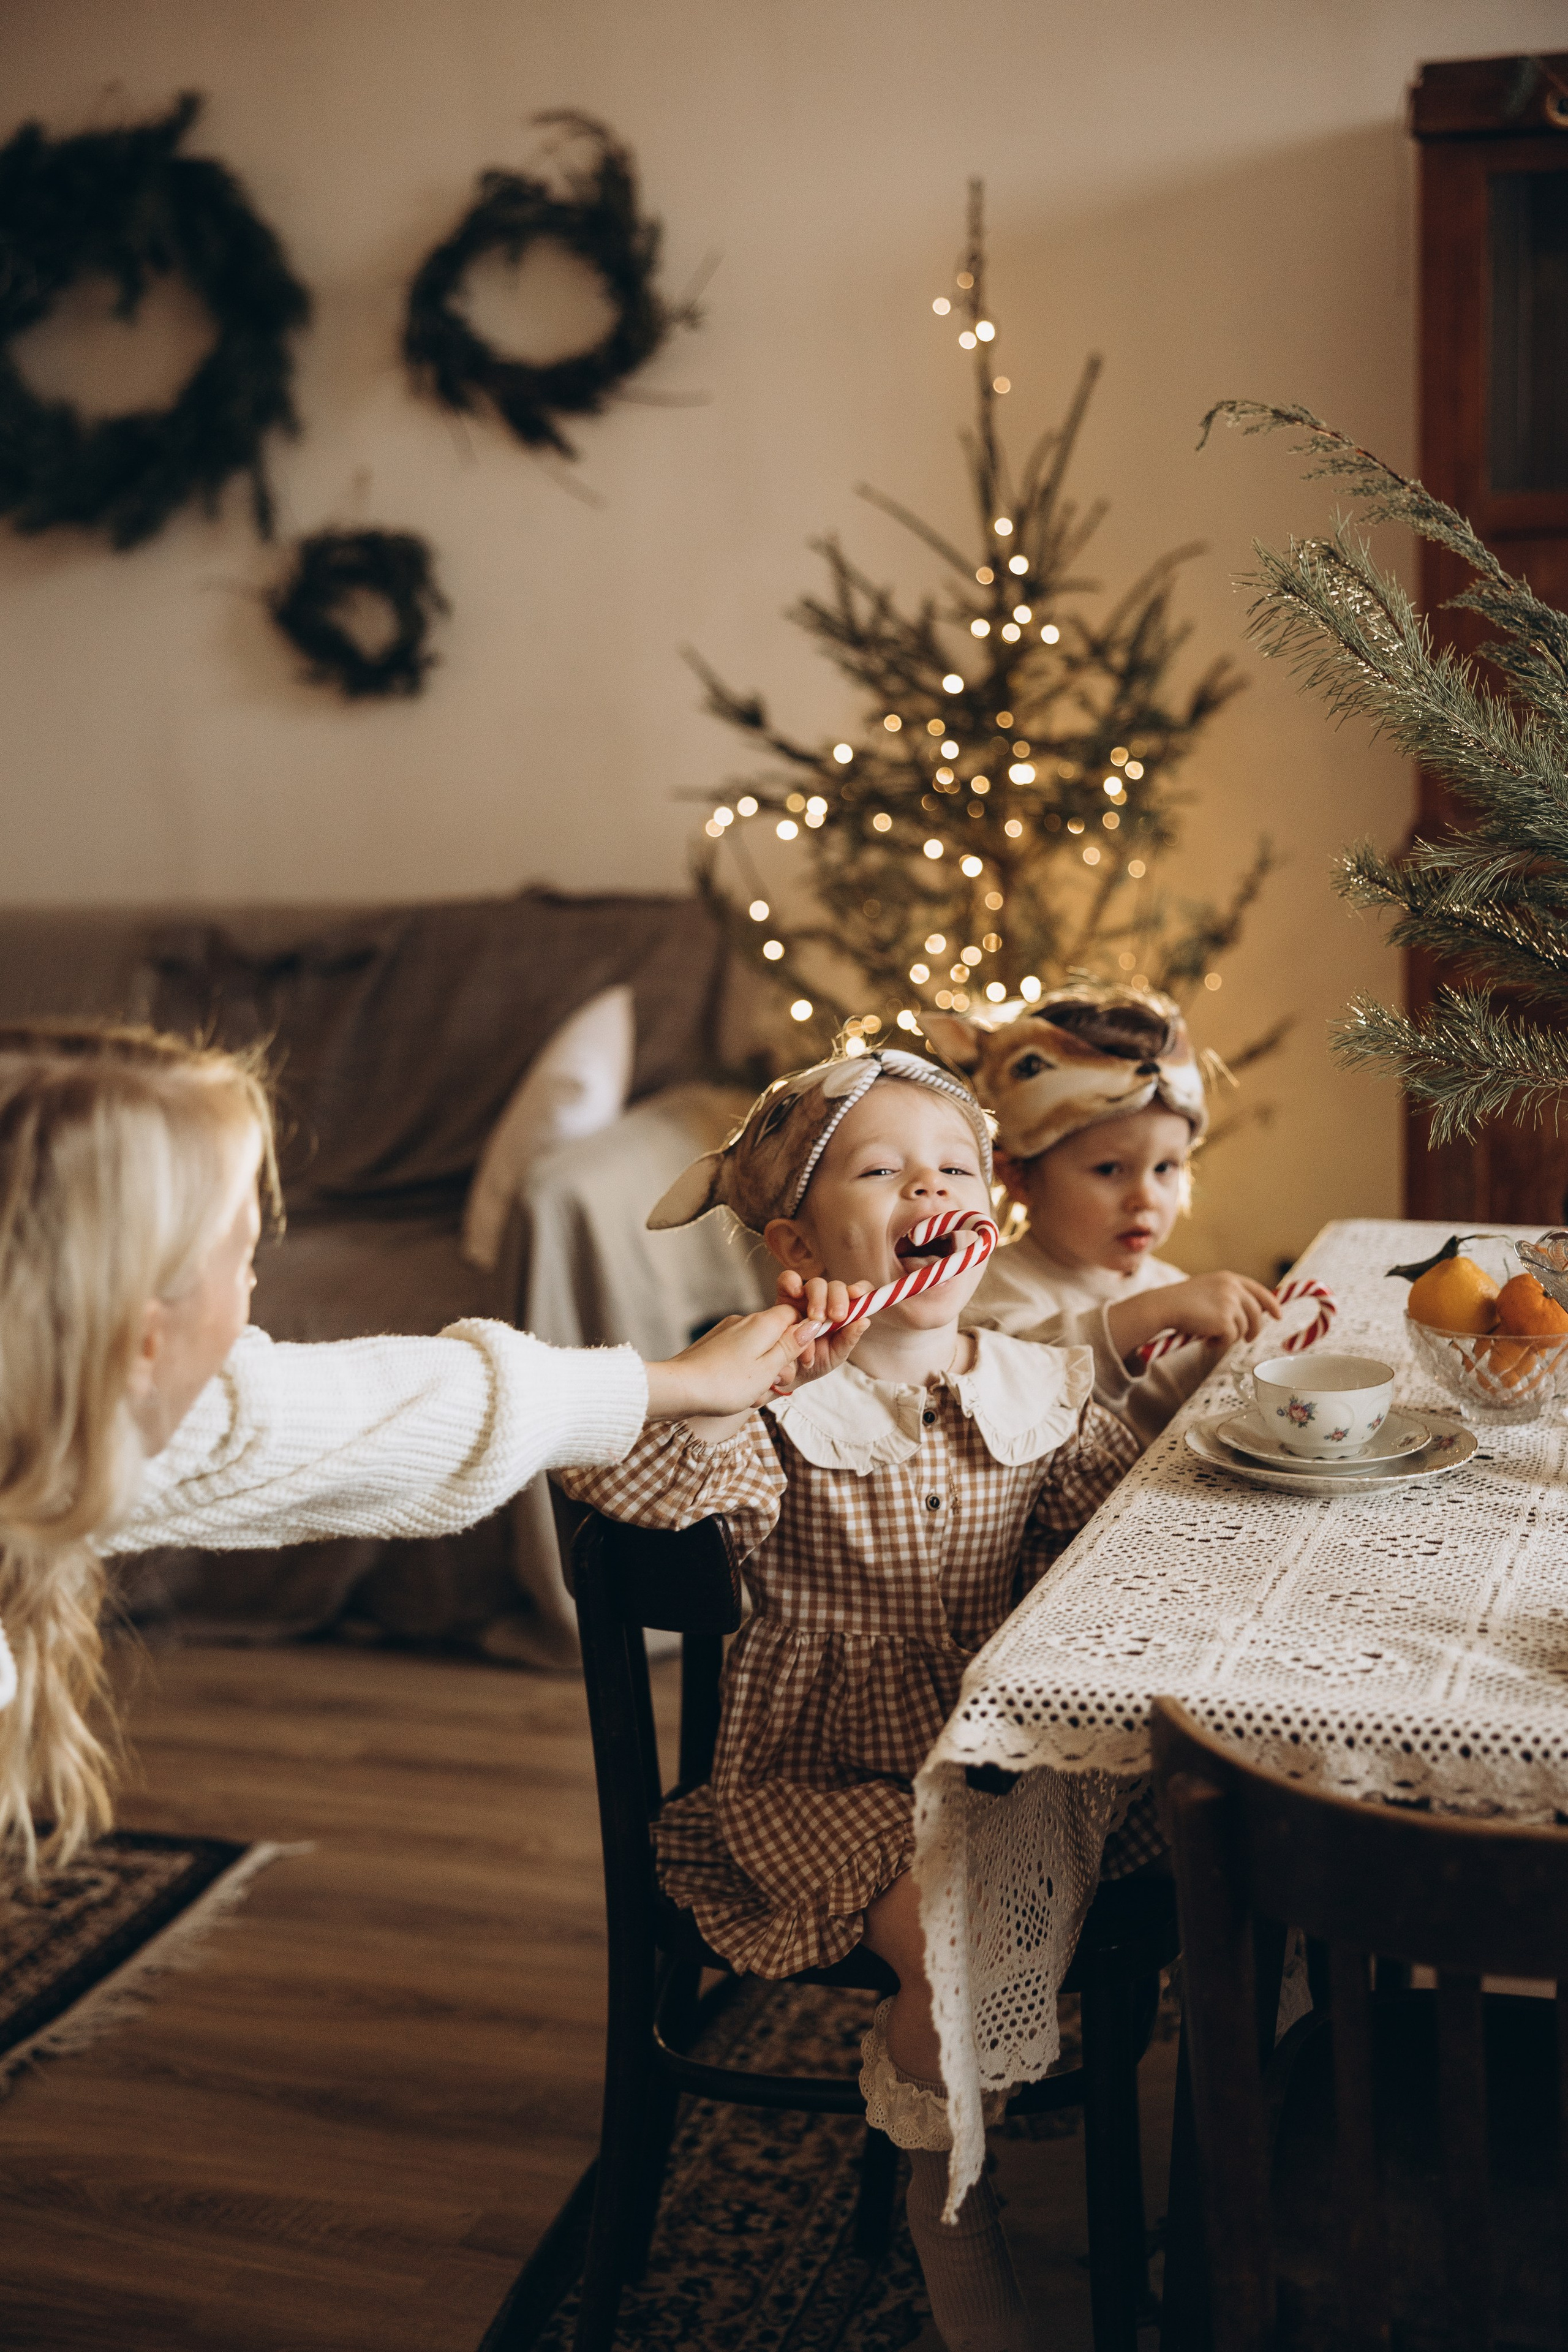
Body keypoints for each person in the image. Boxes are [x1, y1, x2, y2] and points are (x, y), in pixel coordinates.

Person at [559, 1043, 1141, 2352]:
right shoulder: (772, 1411)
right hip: (833, 1783)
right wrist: (733, 1374)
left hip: (1010, 1758)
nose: (927, 1189)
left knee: (1191, 1840)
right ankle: (963, 2254)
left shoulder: (1036, 1383)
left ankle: (1216, 2198)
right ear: (794, 1240)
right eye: (880, 1173)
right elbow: (630, 1504)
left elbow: (1121, 1538)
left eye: (955, 1169)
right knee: (948, 1939)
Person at [0, 1021, 834, 1882]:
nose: (253, 1288)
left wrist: (678, 1383)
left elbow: (391, 1410)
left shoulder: (100, 1409)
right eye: (242, 1256)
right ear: (142, 1339)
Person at [924, 987, 1280, 1447]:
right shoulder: (981, 1292)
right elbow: (1023, 1383)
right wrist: (1152, 1313)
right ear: (1018, 1178)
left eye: (1165, 1168)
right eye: (1110, 1169)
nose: (1144, 1198)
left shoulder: (1167, 1283)